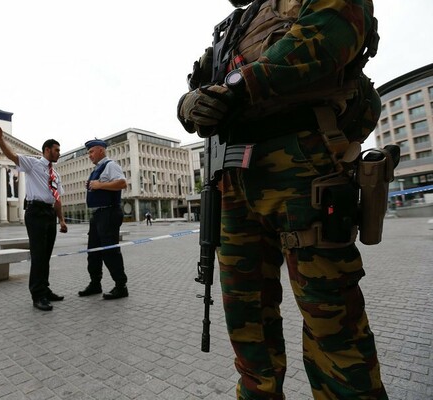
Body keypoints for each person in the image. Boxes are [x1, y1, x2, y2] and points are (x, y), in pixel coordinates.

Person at [177, 0, 387, 398]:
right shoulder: (234, 27)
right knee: (246, 316)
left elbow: (329, 36)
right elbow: (198, 87)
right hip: (234, 176)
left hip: (304, 167)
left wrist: (237, 88)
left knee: (331, 321)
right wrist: (188, 105)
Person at [0, 126, 67, 312]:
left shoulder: (55, 174)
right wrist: (0, 140)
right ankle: (38, 295)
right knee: (38, 255)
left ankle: (45, 289)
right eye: (56, 150)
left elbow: (57, 198)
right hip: (36, 212)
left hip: (49, 213)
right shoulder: (33, 164)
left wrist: (62, 220)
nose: (59, 153)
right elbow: (12, 155)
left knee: (46, 255)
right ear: (47, 150)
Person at [78, 139, 129, 300]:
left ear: (101, 150)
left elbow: (122, 183)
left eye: (91, 152)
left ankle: (121, 286)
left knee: (110, 251)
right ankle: (95, 284)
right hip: (98, 215)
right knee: (93, 251)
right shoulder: (98, 169)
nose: (89, 155)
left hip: (109, 213)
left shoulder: (110, 165)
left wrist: (99, 185)